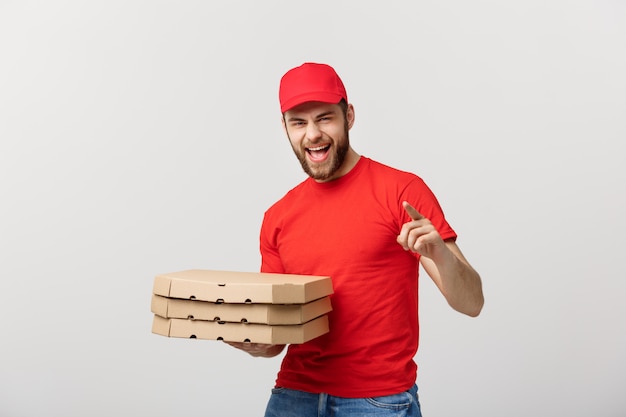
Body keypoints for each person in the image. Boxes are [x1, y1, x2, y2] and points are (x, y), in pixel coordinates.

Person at [228, 62, 484, 417]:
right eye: (299, 122)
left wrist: (440, 254)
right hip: (294, 396)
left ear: (348, 116)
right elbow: (277, 340)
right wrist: (250, 341)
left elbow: (471, 303)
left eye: (324, 118)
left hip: (378, 401)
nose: (313, 134)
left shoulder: (402, 192)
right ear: (285, 127)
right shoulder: (277, 216)